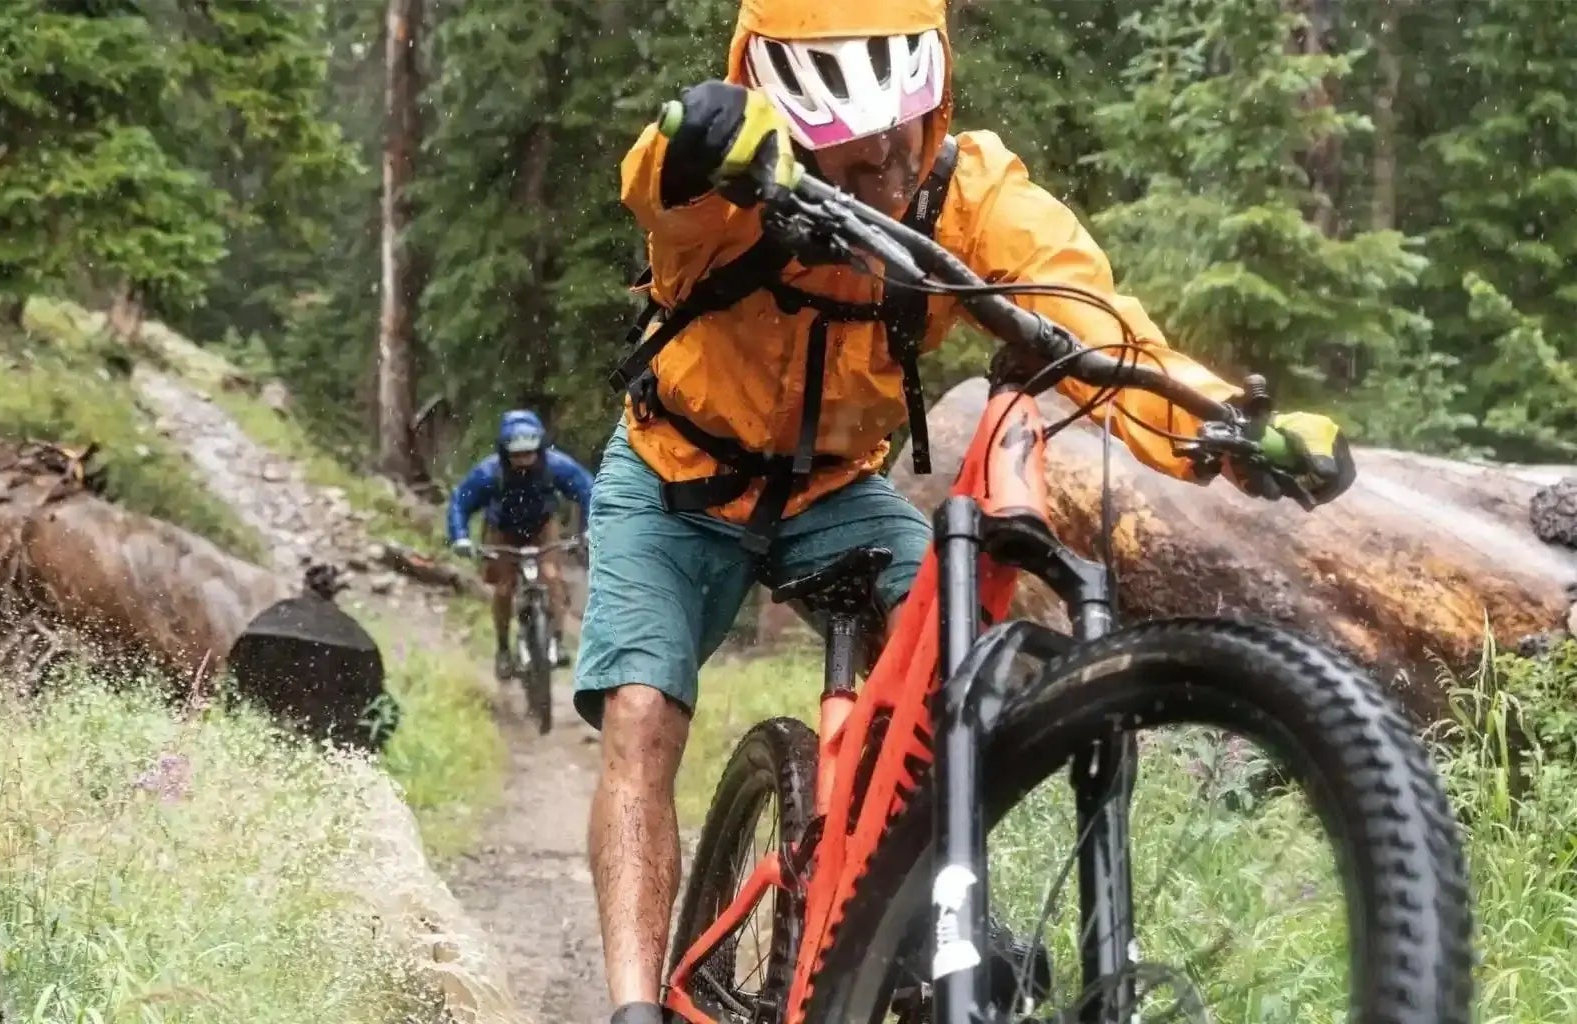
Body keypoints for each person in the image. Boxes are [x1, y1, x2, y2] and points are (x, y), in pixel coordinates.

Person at [575, 2, 1357, 1022]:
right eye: (850, 168)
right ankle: (632, 1006)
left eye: (894, 154)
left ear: (926, 112)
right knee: (641, 718)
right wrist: (699, 136)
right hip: (672, 475)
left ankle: (918, 906)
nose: (880, 183)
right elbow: (658, 184)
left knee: (968, 666)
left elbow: (1093, 324)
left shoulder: (973, 189)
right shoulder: (731, 180)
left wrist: (1219, 424)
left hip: (831, 494)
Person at [447, 409, 597, 679]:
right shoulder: (489, 472)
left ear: (539, 448)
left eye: (529, 453)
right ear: (505, 453)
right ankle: (503, 649)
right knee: (504, 589)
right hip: (501, 531)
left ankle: (556, 641)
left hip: (542, 527)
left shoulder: (556, 466)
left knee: (552, 577)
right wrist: (460, 536)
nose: (524, 460)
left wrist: (590, 529)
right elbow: (460, 501)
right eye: (517, 455)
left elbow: (588, 491)